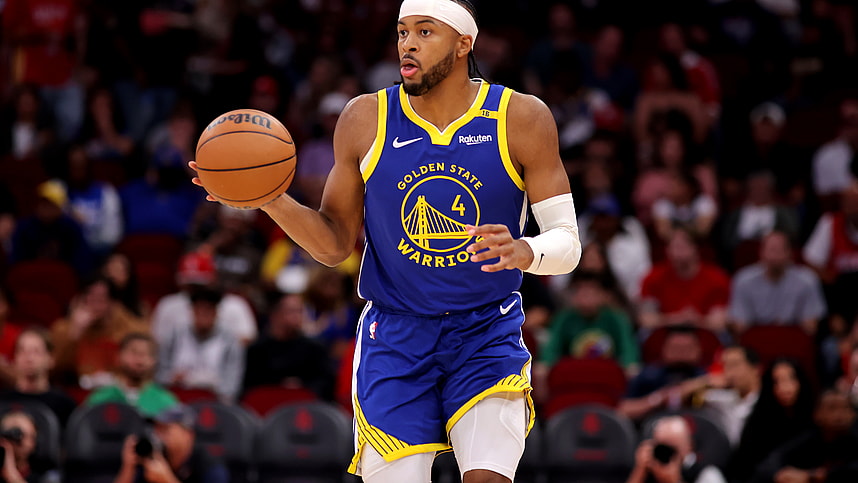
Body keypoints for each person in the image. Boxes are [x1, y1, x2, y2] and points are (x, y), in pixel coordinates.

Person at [190, 1, 582, 481]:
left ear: (464, 44)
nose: (408, 44)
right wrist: (271, 198)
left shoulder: (520, 116)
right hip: (396, 338)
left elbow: (568, 244)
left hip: (485, 332)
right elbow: (334, 245)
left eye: (424, 31)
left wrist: (527, 250)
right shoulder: (365, 118)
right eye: (401, 32)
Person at [50, 277, 148, 389]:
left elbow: (144, 367)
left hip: (120, 392)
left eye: (100, 300)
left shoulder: (133, 330)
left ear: (113, 303)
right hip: (75, 391)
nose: (95, 306)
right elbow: (54, 368)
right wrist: (75, 334)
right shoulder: (62, 329)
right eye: (90, 299)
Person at [729, 359, 816, 482]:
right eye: (776, 381)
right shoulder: (758, 423)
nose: (785, 387)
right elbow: (744, 468)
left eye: (791, 379)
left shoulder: (816, 419)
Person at [539, 271, 640, 376]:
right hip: (574, 373)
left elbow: (628, 350)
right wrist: (545, 364)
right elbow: (551, 349)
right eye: (582, 292)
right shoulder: (564, 318)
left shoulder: (616, 318)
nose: (586, 297)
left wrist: (630, 365)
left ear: (603, 295)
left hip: (606, 373)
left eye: (591, 293)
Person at [151, 251, 258, 347]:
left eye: (200, 284)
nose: (196, 289)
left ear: (213, 280)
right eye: (191, 284)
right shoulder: (168, 305)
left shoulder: (235, 304)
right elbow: (157, 340)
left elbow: (247, 337)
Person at [729, 231, 827, 335]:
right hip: (757, 338)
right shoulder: (743, 280)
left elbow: (810, 328)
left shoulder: (807, 280)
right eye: (771, 250)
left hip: (792, 338)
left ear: (789, 253)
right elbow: (740, 326)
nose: (774, 256)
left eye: (779, 250)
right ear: (761, 252)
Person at [157, 287, 245, 402]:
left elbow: (233, 384)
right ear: (192, 311)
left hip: (214, 402)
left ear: (216, 312)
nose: (203, 314)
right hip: (176, 398)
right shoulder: (175, 335)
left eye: (208, 309)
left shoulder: (229, 340)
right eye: (199, 309)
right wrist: (170, 378)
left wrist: (211, 385)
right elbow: (159, 375)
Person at [752, 390, 858, 483]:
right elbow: (773, 459)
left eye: (846, 408)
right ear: (817, 414)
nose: (839, 415)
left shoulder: (854, 440)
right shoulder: (808, 440)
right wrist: (780, 475)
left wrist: (813, 476)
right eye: (832, 408)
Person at [242, 292, 334, 400]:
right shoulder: (257, 351)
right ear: (275, 315)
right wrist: (280, 387)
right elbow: (250, 389)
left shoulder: (315, 350)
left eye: (300, 311)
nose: (298, 317)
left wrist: (301, 387)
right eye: (292, 311)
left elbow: (325, 385)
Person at [114, 405, 228, 483]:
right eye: (156, 429)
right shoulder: (152, 455)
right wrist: (128, 468)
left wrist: (167, 480)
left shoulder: (208, 462)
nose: (158, 434)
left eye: (165, 429)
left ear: (188, 434)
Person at [618, 326, 709, 421]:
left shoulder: (706, 378)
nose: (681, 353)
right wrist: (660, 398)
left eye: (687, 349)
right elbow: (624, 409)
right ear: (664, 348)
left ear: (698, 350)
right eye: (676, 348)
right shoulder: (648, 377)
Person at [85, 333, 178, 418]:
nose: (140, 359)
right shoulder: (100, 399)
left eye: (147, 354)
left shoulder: (166, 402)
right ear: (118, 356)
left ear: (154, 361)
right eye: (134, 352)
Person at [0, 329, 77, 428]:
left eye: (36, 351)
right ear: (15, 358)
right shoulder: (3, 401)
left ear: (50, 359)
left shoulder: (64, 404)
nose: (28, 358)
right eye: (22, 351)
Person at [626, 416, 726, 483]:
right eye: (662, 447)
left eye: (673, 448)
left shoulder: (706, 474)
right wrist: (639, 472)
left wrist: (675, 481)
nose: (667, 453)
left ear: (689, 446)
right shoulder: (647, 469)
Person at [701, 346, 761, 446]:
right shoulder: (722, 399)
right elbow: (677, 397)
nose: (730, 373)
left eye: (735, 365)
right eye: (726, 366)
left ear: (756, 369)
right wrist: (706, 381)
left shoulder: (768, 400)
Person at [0, 411, 60, 483]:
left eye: (31, 437)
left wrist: (12, 477)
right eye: (16, 434)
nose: (25, 443)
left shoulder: (45, 474)